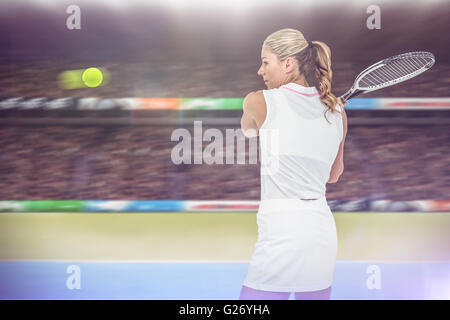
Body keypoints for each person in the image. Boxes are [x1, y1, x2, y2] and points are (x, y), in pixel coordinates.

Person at [239, 28, 348, 300]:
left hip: (283, 228)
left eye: (266, 62)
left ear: (288, 64)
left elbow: (248, 131)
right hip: (322, 228)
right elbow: (334, 175)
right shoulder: (338, 112)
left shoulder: (258, 101)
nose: (260, 71)